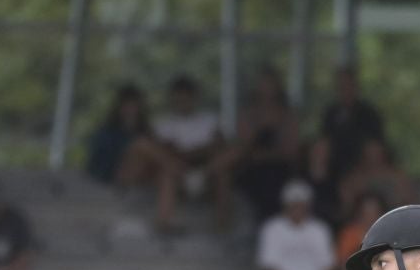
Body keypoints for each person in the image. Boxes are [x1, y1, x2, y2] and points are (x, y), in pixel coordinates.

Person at [151, 76, 236, 232]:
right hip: (180, 176)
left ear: (194, 98)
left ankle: (223, 226)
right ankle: (164, 222)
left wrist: (192, 154)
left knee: (224, 172)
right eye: (178, 98)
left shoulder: (210, 120)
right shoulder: (163, 123)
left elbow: (221, 147)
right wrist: (198, 151)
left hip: (207, 173)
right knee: (166, 172)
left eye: (186, 98)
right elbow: (165, 152)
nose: (182, 102)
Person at [232, 67, 303, 222]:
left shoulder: (288, 114)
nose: (266, 88)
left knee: (274, 183)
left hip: (281, 169)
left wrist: (268, 155)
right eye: (262, 83)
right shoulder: (248, 113)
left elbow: (292, 150)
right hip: (251, 169)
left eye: (269, 83)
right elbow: (242, 146)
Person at [87, 85, 167, 190]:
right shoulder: (107, 132)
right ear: (119, 107)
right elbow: (100, 163)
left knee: (165, 173)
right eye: (127, 105)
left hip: (144, 173)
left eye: (134, 105)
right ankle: (183, 173)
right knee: (141, 145)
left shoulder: (146, 130)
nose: (131, 109)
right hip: (115, 175)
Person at [318, 65, 386, 185]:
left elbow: (375, 146)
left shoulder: (368, 114)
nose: (345, 89)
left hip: (362, 167)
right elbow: (325, 142)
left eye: (348, 85)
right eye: (341, 86)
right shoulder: (331, 113)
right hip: (335, 166)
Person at [338, 139, 415, 219]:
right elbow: (346, 205)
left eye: (376, 152)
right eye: (370, 152)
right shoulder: (355, 178)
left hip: (393, 219)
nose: (373, 156)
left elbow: (408, 202)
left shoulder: (397, 177)